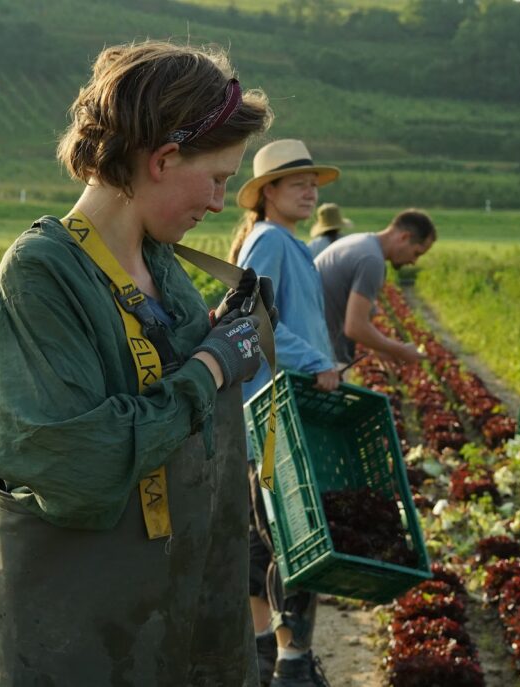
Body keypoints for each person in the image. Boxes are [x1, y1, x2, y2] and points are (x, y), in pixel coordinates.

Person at [0, 40, 273, 685]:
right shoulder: (44, 270)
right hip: (82, 631)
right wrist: (210, 369)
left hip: (177, 608)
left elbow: (178, 374)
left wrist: (227, 332)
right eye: (218, 178)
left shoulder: (162, 261)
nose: (222, 202)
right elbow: (73, 463)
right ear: (164, 159)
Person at [229, 138, 339, 687]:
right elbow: (250, 314)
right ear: (268, 192)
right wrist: (316, 360)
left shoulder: (285, 242)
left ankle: (265, 658)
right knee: (293, 539)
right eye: (298, 183)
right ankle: (290, 661)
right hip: (274, 418)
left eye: (312, 183)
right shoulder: (270, 240)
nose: (309, 190)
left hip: (278, 414)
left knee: (267, 539)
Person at [314, 209, 437, 367]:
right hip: (321, 355)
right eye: (416, 253)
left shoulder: (362, 243)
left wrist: (380, 346)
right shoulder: (371, 260)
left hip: (311, 344)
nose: (414, 262)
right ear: (404, 237)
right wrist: (400, 350)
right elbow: (355, 327)